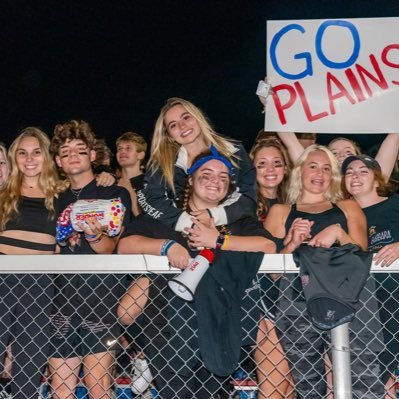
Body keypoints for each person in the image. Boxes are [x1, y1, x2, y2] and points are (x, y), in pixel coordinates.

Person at [118, 150, 277, 399]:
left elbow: (267, 246)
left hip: (219, 324)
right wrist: (167, 246)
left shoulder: (237, 221)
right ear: (190, 179)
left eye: (223, 177)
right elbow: (126, 245)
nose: (216, 180)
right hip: (166, 329)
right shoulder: (167, 215)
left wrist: (219, 240)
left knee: (214, 394)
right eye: (206, 174)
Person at [264, 145, 386, 398]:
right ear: (300, 172)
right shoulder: (280, 211)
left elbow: (363, 252)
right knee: (308, 382)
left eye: (326, 168)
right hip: (297, 301)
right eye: (313, 166)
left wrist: (338, 233)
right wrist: (292, 243)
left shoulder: (348, 207)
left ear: (333, 175)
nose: (319, 173)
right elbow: (272, 274)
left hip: (352, 299)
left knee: (362, 374)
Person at [48, 120, 132, 399]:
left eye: (80, 150)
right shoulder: (53, 197)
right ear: (59, 160)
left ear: (93, 156)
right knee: (61, 389)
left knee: (99, 387)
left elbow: (110, 248)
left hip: (101, 302)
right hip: (60, 304)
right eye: (66, 150)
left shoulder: (113, 193)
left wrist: (94, 237)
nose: (73, 155)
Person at [0, 127, 63, 399]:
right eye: (22, 153)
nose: (29, 159)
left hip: (40, 285)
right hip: (2, 278)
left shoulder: (61, 193)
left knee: (29, 366)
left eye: (36, 152)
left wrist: (105, 174)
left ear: (46, 156)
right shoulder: (4, 191)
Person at [138, 97, 256, 230]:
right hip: (177, 233)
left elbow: (250, 196)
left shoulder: (234, 151)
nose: (182, 126)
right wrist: (188, 223)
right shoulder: (162, 164)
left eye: (186, 117)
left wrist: (213, 216)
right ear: (169, 135)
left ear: (197, 117)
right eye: (173, 125)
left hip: (232, 230)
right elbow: (149, 199)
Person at [342, 154, 399, 398]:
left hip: (395, 298)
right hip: (365, 309)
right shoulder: (341, 216)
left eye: (363, 171)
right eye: (349, 172)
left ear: (377, 179)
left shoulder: (395, 204)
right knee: (375, 378)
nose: (355, 175)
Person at [116, 131, 147, 216]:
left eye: (128, 148)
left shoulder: (150, 183)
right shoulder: (112, 182)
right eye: (119, 149)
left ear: (140, 155)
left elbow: (148, 220)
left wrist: (128, 190)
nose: (122, 152)